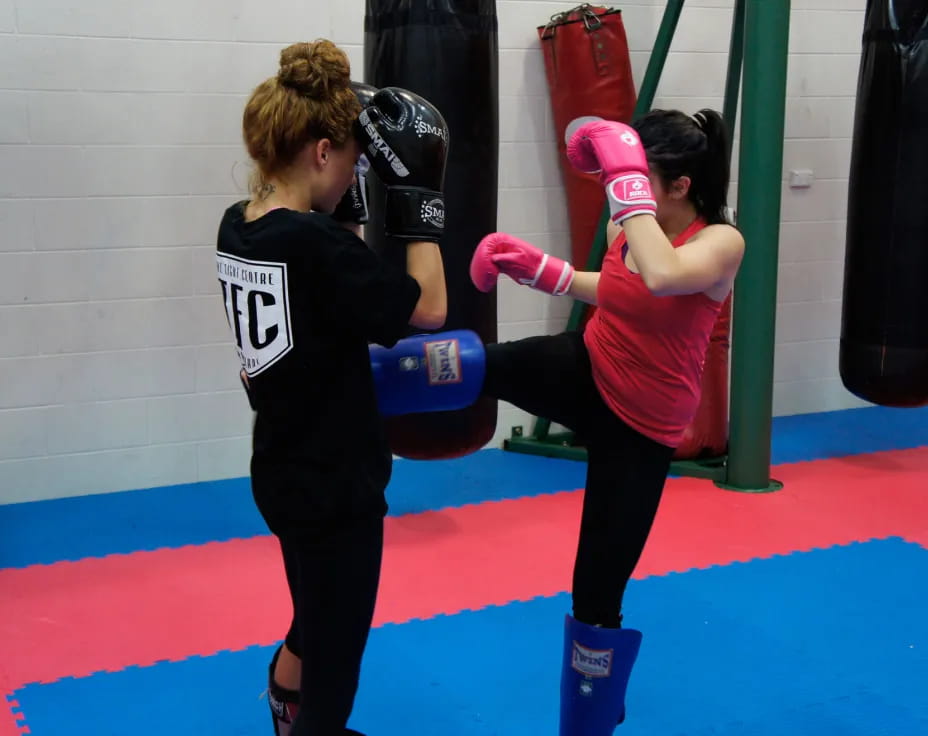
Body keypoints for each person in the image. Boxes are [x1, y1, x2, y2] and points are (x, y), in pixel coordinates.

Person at [469, 109, 745, 734]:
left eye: (643, 178)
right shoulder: (636, 227)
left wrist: (626, 185)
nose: (629, 191)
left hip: (642, 427)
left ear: (678, 186)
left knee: (595, 596)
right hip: (588, 365)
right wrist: (546, 271)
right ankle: (351, 387)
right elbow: (624, 286)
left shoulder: (719, 242)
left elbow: (664, 275)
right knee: (469, 366)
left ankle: (591, 722)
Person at [215, 39, 449, 736]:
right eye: (349, 158)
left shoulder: (241, 224)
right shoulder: (320, 250)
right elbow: (429, 308)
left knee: (313, 614)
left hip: (282, 469)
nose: (355, 170)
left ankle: (286, 712)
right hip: (336, 484)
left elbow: (332, 256)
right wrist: (418, 199)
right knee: (337, 659)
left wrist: (350, 187)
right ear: (323, 152)